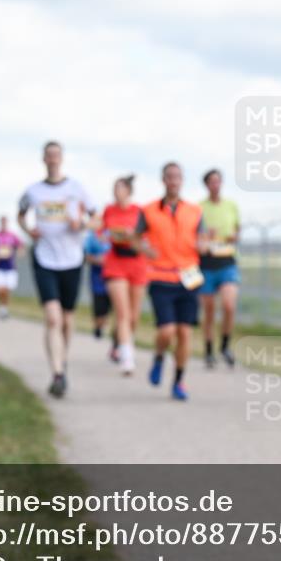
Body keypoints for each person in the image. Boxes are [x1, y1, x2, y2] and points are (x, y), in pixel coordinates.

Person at [18, 141, 96, 398]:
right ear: (43, 159)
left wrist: (81, 224)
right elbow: (21, 214)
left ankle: (63, 359)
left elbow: (96, 218)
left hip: (72, 260)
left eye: (56, 155)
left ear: (61, 158)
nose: (52, 159)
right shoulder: (34, 191)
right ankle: (57, 373)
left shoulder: (76, 189)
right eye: (48, 155)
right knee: (53, 318)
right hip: (44, 259)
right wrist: (29, 230)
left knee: (67, 319)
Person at [135, 162, 207, 401]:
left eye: (177, 177)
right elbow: (135, 239)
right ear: (163, 180)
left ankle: (178, 381)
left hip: (189, 277)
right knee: (167, 331)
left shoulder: (195, 211)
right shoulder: (148, 211)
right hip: (160, 276)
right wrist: (144, 249)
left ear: (182, 180)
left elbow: (203, 240)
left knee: (185, 333)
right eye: (169, 177)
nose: (173, 181)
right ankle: (158, 356)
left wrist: (204, 245)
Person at [101, 174, 147, 375]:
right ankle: (127, 358)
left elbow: (148, 237)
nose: (116, 192)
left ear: (128, 191)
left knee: (134, 317)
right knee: (123, 313)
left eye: (120, 188)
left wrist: (133, 235)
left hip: (137, 263)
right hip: (115, 263)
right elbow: (100, 230)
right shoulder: (108, 210)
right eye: (114, 188)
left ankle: (117, 341)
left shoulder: (140, 212)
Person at [198, 169, 240, 369]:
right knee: (208, 311)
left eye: (218, 181)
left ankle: (225, 345)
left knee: (229, 305)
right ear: (206, 185)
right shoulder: (199, 208)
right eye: (211, 182)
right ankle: (208, 350)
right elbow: (195, 236)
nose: (215, 185)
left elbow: (237, 230)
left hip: (227, 261)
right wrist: (206, 236)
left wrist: (233, 236)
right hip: (206, 263)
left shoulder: (231, 205)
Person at [83, 226, 115, 347]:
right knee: (99, 309)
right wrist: (98, 260)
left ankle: (116, 339)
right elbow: (86, 255)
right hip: (98, 279)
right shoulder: (92, 236)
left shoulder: (115, 233)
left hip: (114, 278)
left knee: (114, 308)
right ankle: (98, 327)